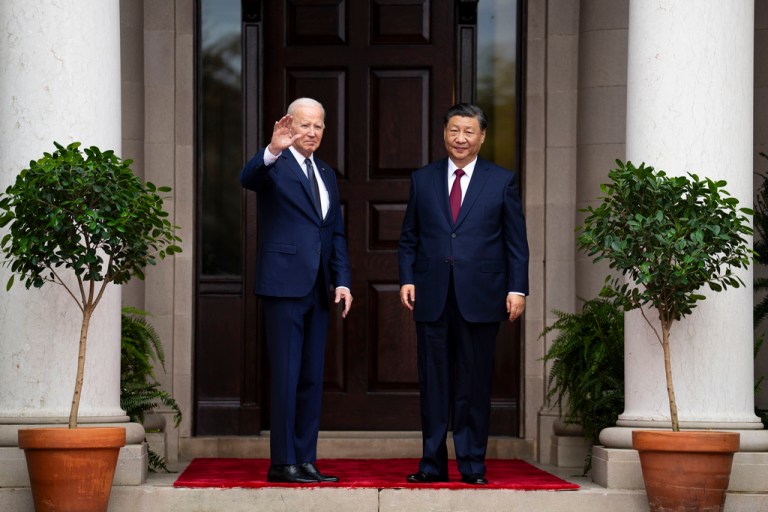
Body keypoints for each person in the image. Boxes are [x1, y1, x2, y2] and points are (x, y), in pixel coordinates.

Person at [398, 103, 529, 485]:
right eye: (454, 130)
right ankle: (432, 464)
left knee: (474, 384)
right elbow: (409, 237)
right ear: (444, 133)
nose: (460, 138)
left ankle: (472, 465)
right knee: (433, 384)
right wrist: (407, 278)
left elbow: (515, 242)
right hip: (432, 295)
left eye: (468, 131)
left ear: (482, 136)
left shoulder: (501, 181)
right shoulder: (423, 179)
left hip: (482, 296)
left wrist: (517, 288)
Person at [240, 97, 353, 484]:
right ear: (289, 125)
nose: (312, 132)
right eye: (305, 125)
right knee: (286, 376)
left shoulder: (326, 173)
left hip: (319, 288)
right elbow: (248, 178)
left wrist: (342, 280)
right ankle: (282, 462)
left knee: (310, 378)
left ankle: (305, 459)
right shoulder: (275, 165)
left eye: (318, 126)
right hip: (284, 285)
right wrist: (272, 149)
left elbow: (335, 232)